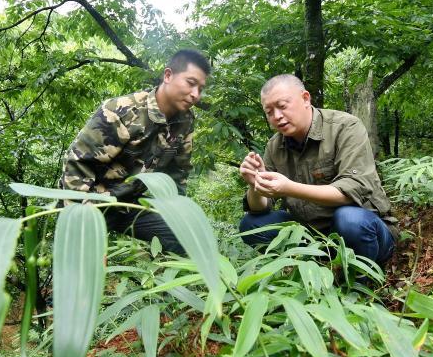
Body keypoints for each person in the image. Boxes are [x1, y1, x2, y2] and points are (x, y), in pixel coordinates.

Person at [60, 49, 211, 254]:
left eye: (200, 88)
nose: (195, 94)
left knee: (186, 234)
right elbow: (77, 166)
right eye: (190, 83)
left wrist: (178, 214)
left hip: (129, 205)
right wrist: (85, 229)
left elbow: (178, 174)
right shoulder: (122, 110)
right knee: (82, 265)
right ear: (168, 75)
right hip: (87, 202)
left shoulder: (185, 121)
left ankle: (162, 274)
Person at [238, 74, 396, 266]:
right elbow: (261, 207)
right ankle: (312, 266)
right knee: (251, 224)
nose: (277, 116)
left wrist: (288, 188)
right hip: (313, 236)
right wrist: (255, 184)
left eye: (282, 106)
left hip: (363, 228)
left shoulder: (345, 127)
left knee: (349, 219)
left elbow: (352, 190)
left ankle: (360, 278)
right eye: (269, 112)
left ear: (305, 99)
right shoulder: (274, 146)